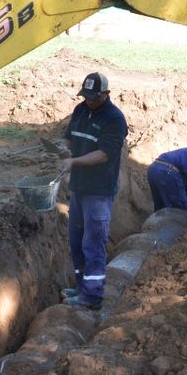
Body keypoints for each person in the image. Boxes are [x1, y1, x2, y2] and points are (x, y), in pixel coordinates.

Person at [59, 72, 127, 311]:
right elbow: (69, 138)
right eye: (85, 96)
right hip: (78, 188)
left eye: (93, 97)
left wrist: (73, 162)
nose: (89, 101)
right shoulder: (80, 110)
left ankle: (92, 296)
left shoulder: (115, 119)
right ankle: (81, 287)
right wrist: (62, 149)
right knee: (76, 241)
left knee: (93, 242)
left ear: (106, 94)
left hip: (99, 191)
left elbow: (104, 154)